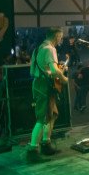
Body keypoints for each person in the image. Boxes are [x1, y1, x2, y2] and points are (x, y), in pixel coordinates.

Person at [27, 28, 67, 163]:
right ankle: (32, 150)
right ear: (56, 36)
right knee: (42, 118)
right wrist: (64, 78)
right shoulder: (50, 49)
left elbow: (33, 71)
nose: (61, 40)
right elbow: (55, 71)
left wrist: (54, 71)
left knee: (52, 114)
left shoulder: (38, 48)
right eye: (60, 37)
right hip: (44, 86)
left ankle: (46, 143)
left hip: (39, 84)